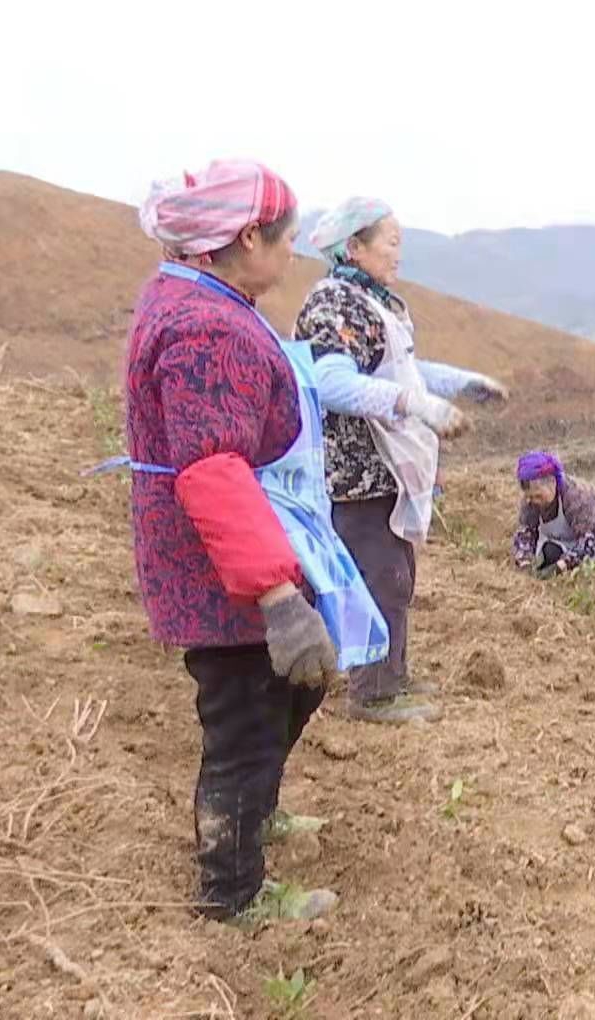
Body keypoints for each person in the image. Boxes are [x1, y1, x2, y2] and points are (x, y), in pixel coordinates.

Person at [119, 160, 389, 923]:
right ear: (245, 239)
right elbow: (212, 470)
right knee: (242, 721)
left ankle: (256, 815)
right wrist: (274, 594)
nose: (295, 251)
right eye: (288, 238)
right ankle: (232, 890)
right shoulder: (206, 328)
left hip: (239, 549)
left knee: (291, 691)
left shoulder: (198, 296)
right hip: (226, 570)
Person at [296, 197, 509, 725]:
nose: (398, 255)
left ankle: (392, 673)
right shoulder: (333, 304)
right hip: (358, 472)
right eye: (390, 242)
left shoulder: (376, 303)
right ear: (354, 247)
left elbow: (403, 370)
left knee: (398, 573)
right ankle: (372, 693)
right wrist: (416, 406)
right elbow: (331, 383)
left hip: (390, 469)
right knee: (380, 576)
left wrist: (460, 384)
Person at [512, 451, 595, 576]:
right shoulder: (530, 502)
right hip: (568, 539)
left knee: (574, 568)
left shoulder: (576, 496)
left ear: (552, 483)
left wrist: (561, 565)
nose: (534, 501)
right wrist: (524, 562)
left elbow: (590, 539)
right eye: (530, 497)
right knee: (548, 554)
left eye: (538, 496)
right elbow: (525, 533)